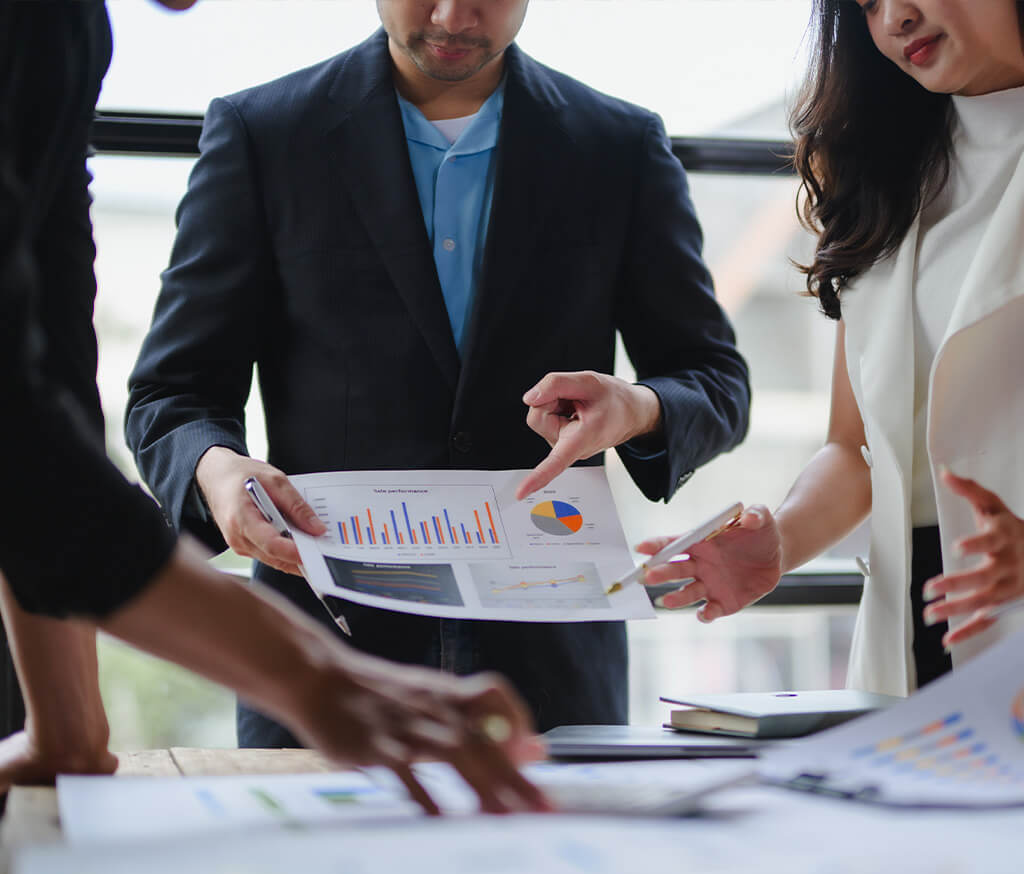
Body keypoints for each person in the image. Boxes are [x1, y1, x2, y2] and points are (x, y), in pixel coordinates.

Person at [125, 0, 750, 743]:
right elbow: (172, 395)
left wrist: (639, 407)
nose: (453, 16)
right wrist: (215, 469)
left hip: (553, 665)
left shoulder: (619, 145)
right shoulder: (264, 134)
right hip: (322, 657)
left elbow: (714, 380)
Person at [0, 0, 549, 814]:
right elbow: (23, 428)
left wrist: (67, 724)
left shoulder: (64, 27)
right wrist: (310, 675)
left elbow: (44, 369)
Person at [641, 0, 1024, 697]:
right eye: (869, 4)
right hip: (915, 644)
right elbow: (854, 448)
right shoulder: (887, 177)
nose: (895, 17)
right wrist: (779, 542)